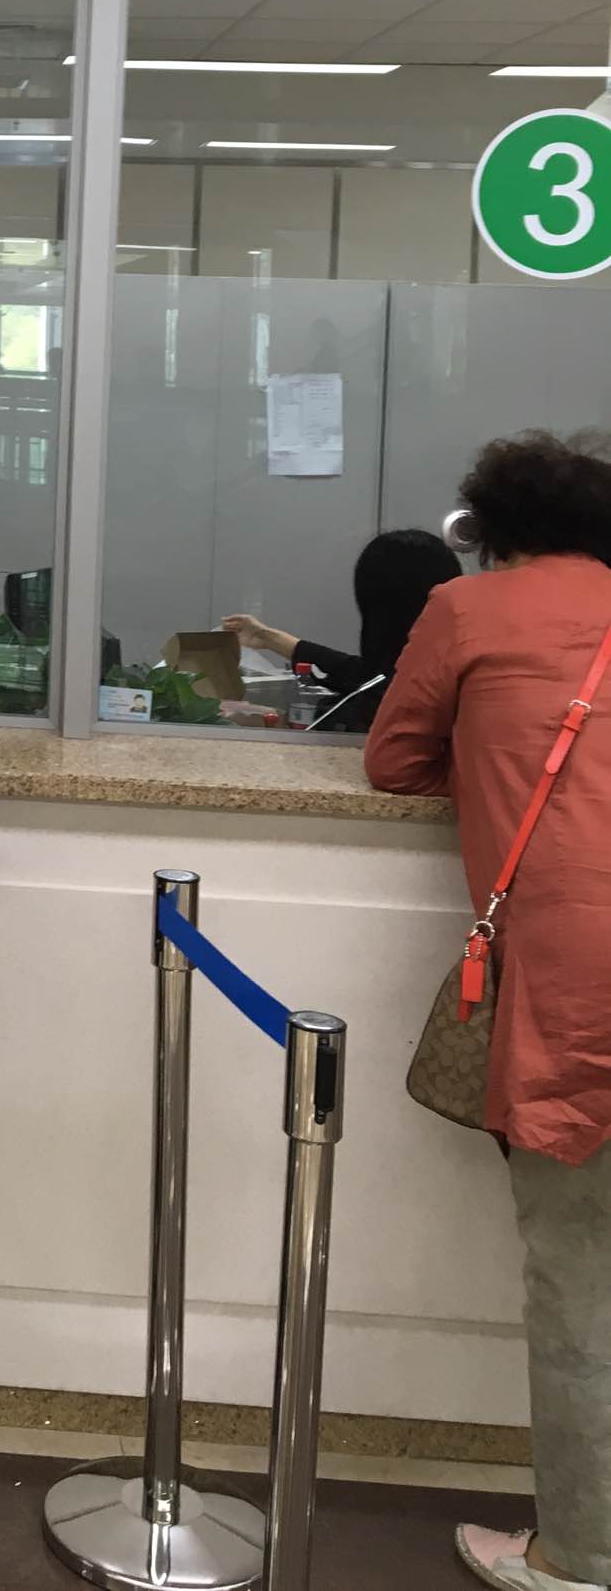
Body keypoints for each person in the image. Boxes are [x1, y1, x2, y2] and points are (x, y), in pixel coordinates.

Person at [367, 433, 611, 1591]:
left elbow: (392, 759)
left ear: (492, 528)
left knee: (577, 1271)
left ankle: (579, 1555)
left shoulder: (466, 612)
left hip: (575, 976)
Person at [221, 526, 462, 731]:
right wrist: (267, 637)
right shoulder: (441, 663)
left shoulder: (405, 702)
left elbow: (369, 687)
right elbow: (363, 671)